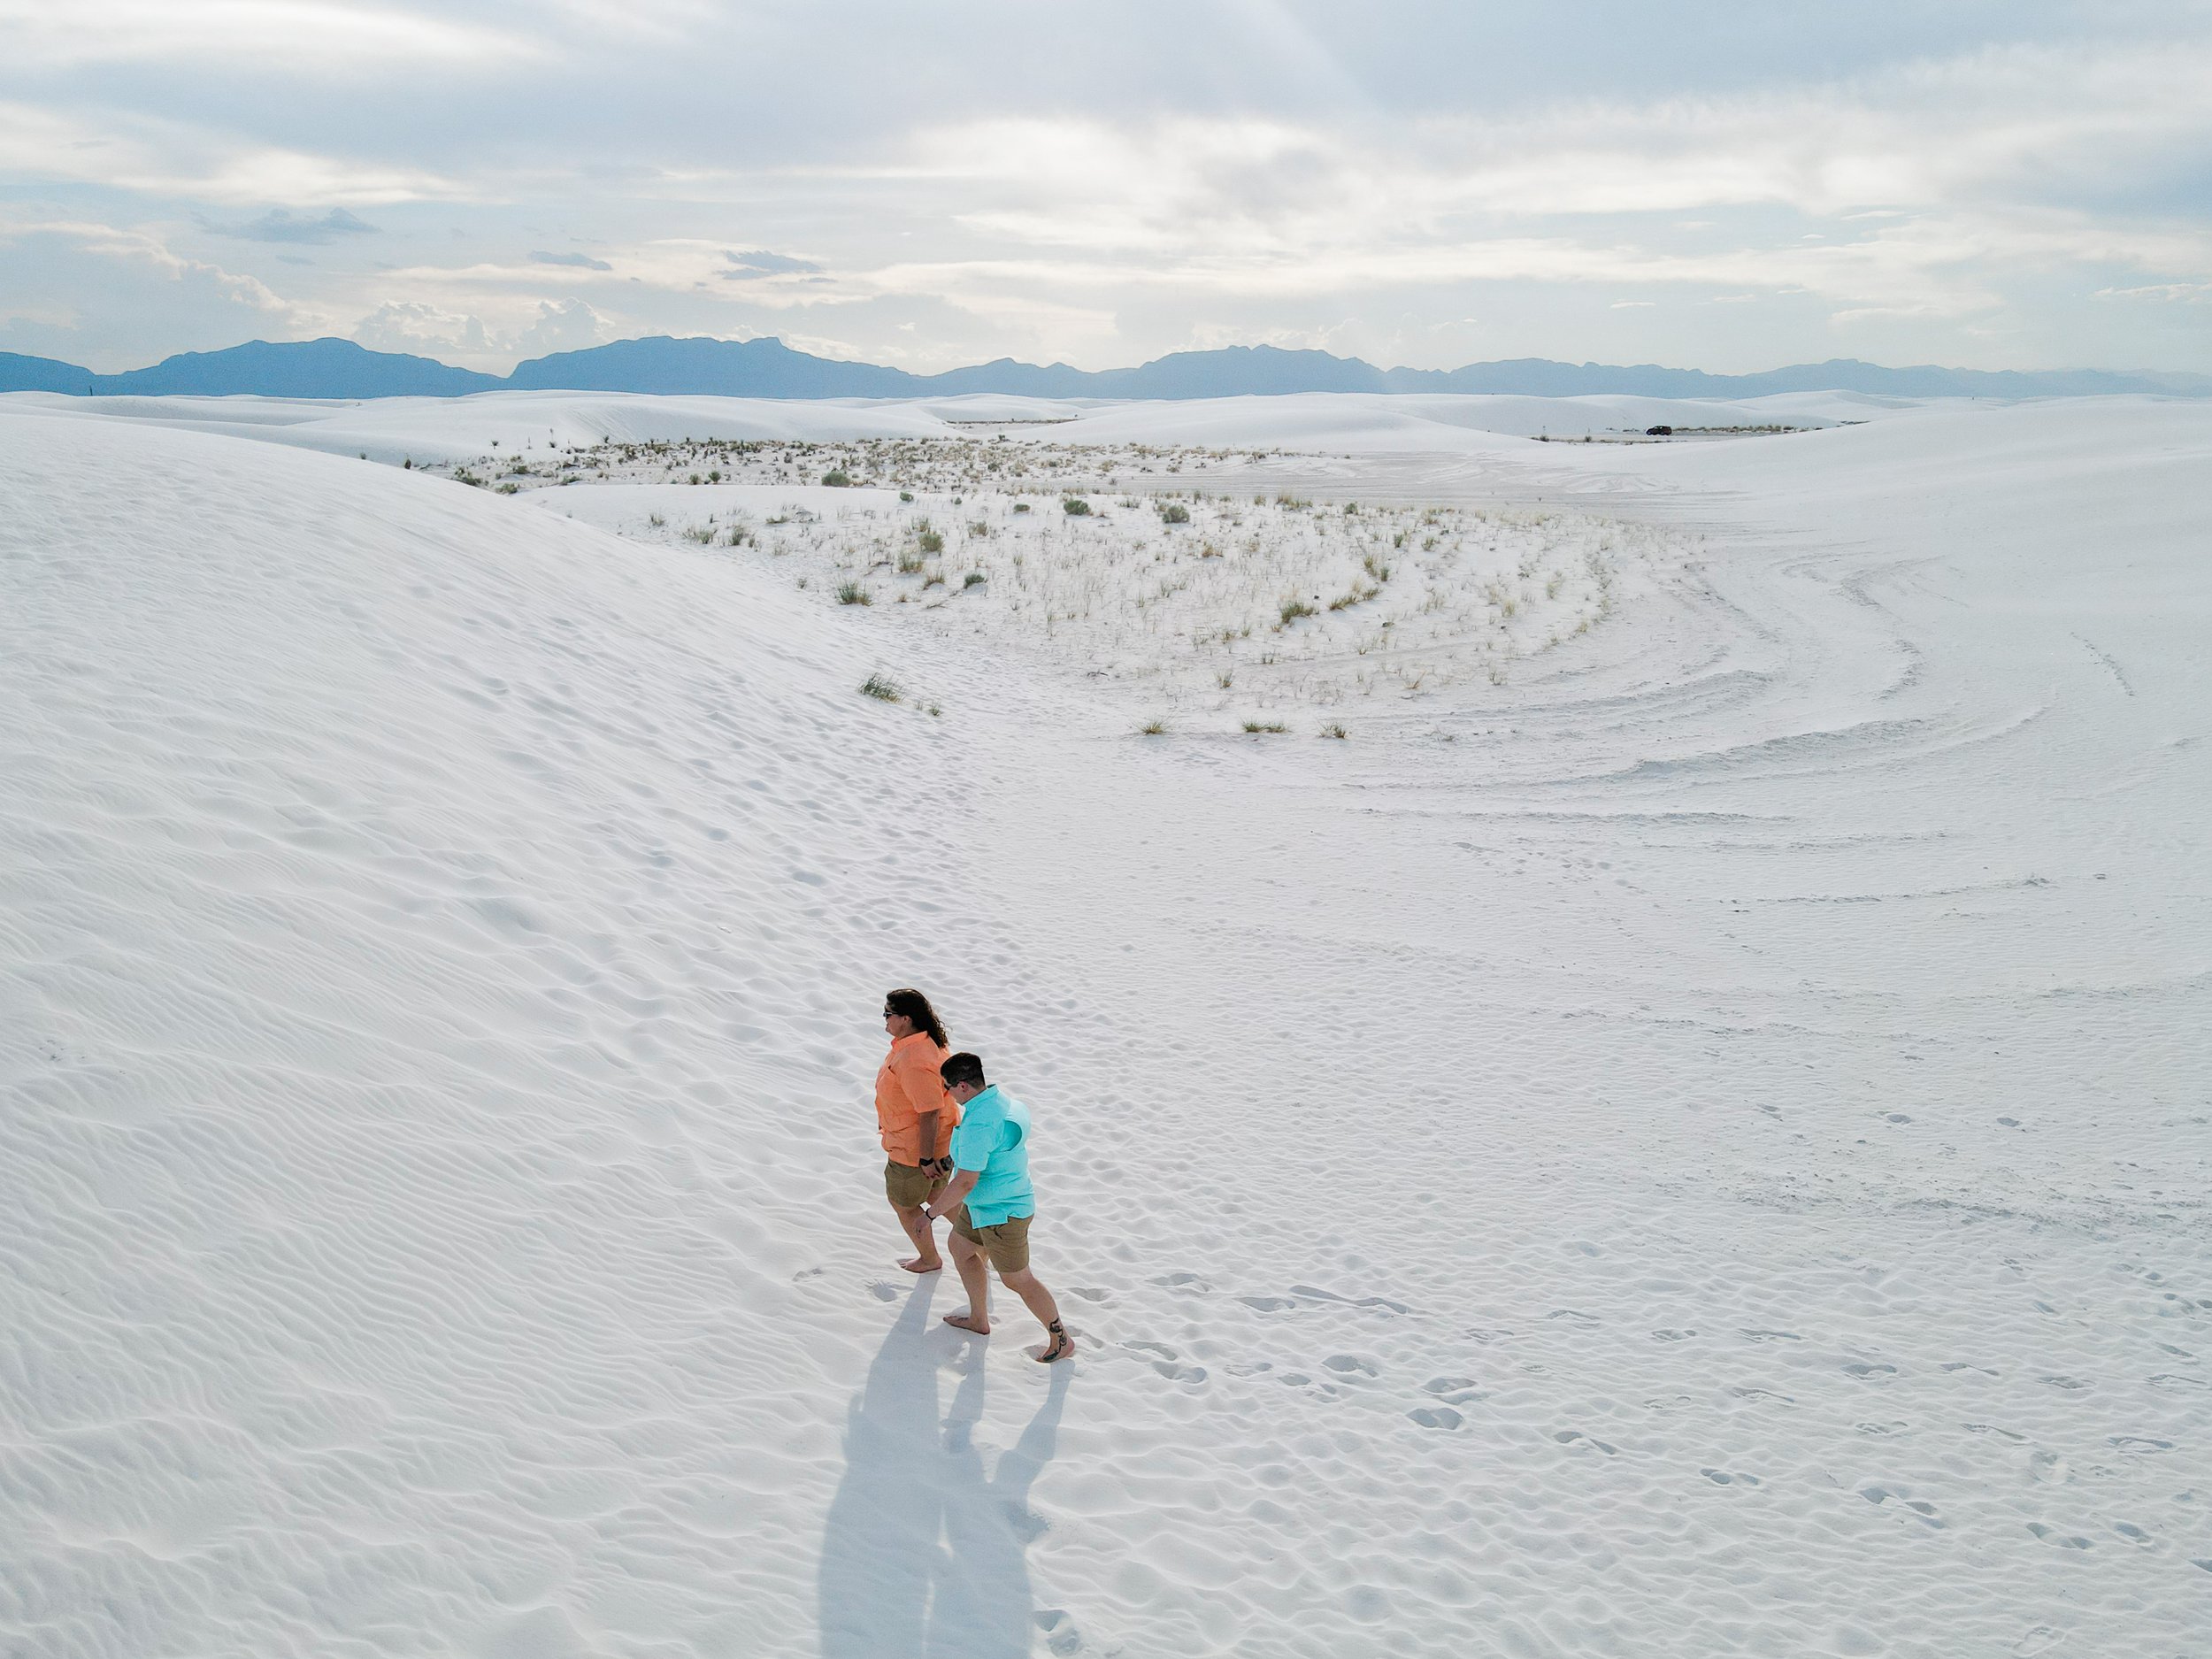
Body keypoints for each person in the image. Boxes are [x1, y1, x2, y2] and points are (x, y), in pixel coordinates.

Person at [922, 1052, 1073, 1363]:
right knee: (960, 1247)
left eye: (947, 1086)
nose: (945, 1092)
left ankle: (1062, 1339)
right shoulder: (1001, 1101)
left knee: (1018, 1280)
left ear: (963, 1086)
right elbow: (986, 1151)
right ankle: (979, 1320)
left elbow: (965, 1182)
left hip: (1004, 1213)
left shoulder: (979, 1123)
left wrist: (930, 1214)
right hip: (986, 1205)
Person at [875, 987, 960, 1274]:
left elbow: (929, 1111)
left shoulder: (913, 1058)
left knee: (903, 1203)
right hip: (940, 1141)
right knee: (938, 1196)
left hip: (913, 1150)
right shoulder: (924, 1042)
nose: (884, 1020)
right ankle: (979, 1243)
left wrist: (924, 1160)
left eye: (888, 1014)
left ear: (906, 1019)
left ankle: (929, 1258)